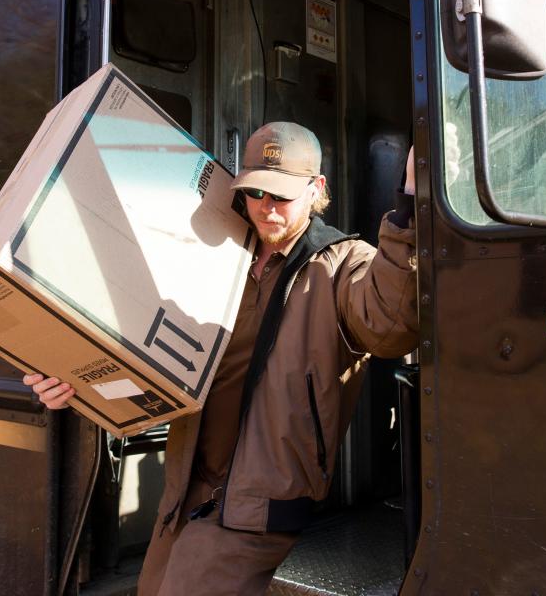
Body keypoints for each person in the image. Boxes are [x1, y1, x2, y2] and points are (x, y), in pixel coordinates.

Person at [24, 122, 418, 595]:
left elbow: (392, 325)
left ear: (317, 190)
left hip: (259, 499)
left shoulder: (341, 262)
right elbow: (139, 341)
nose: (266, 208)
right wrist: (73, 379)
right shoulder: (217, 252)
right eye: (254, 192)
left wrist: (410, 207)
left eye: (282, 196)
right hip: (187, 487)